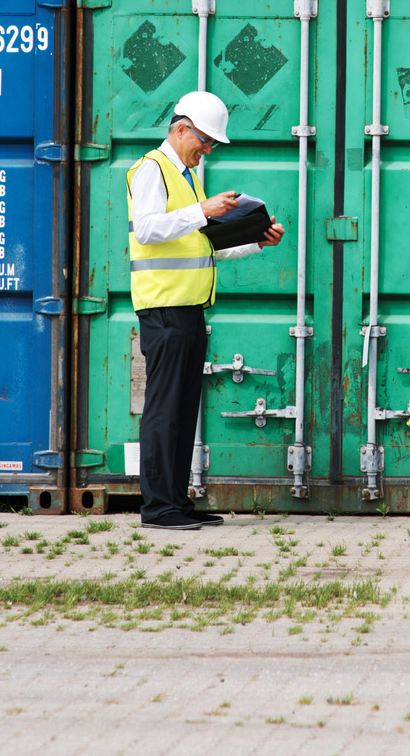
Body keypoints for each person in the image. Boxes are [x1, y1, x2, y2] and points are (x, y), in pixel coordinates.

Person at [127, 89, 284, 530]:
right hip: (164, 308)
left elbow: (204, 246)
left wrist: (256, 241)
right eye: (205, 141)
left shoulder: (187, 177)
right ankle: (158, 509)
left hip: (190, 308)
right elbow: (148, 228)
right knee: (163, 411)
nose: (208, 150)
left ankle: (176, 503)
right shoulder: (150, 171)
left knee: (182, 411)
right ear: (181, 130)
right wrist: (203, 209)